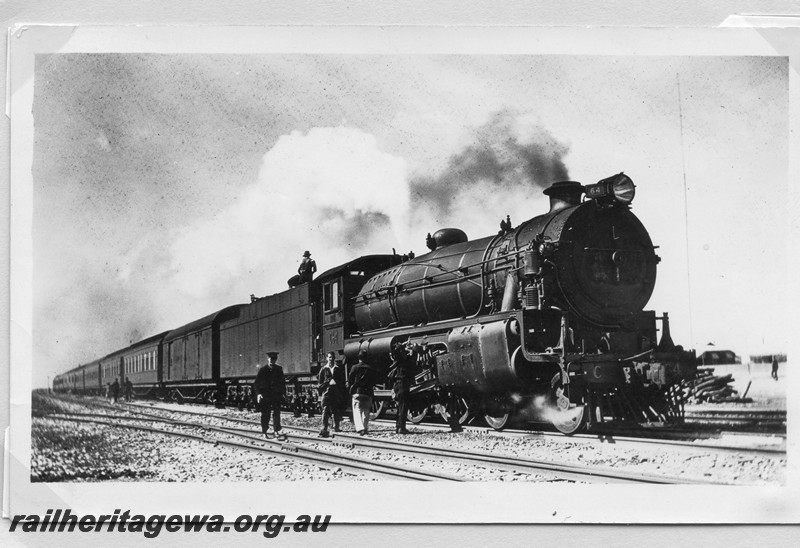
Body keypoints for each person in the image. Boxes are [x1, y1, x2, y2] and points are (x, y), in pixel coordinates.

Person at [253, 352, 287, 440]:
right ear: (268, 359)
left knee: (276, 414)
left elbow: (282, 383)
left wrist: (284, 394)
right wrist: (258, 394)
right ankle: (264, 431)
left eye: (273, 359)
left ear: (276, 360)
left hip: (276, 395)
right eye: (270, 359)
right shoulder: (263, 370)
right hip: (266, 395)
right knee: (265, 414)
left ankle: (276, 431)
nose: (271, 360)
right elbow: (256, 383)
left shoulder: (279, 369)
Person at [348, 350, 378, 436]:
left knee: (357, 410)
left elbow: (350, 380)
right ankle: (365, 427)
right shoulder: (370, 368)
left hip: (357, 391)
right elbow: (374, 381)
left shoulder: (354, 367)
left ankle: (360, 428)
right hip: (368, 392)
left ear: (358, 358)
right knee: (366, 410)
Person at [317, 351, 345, 437]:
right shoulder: (323, 369)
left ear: (334, 358)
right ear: (327, 358)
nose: (331, 359)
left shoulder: (338, 369)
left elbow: (342, 380)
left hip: (336, 392)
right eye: (329, 357)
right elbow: (320, 382)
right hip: (327, 392)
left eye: (332, 357)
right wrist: (327, 383)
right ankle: (324, 428)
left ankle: (336, 427)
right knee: (325, 410)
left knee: (336, 410)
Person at [387, 343, 413, 434]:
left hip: (397, 385)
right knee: (403, 407)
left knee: (399, 407)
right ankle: (401, 428)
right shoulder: (404, 362)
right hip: (403, 385)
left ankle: (398, 427)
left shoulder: (397, 363)